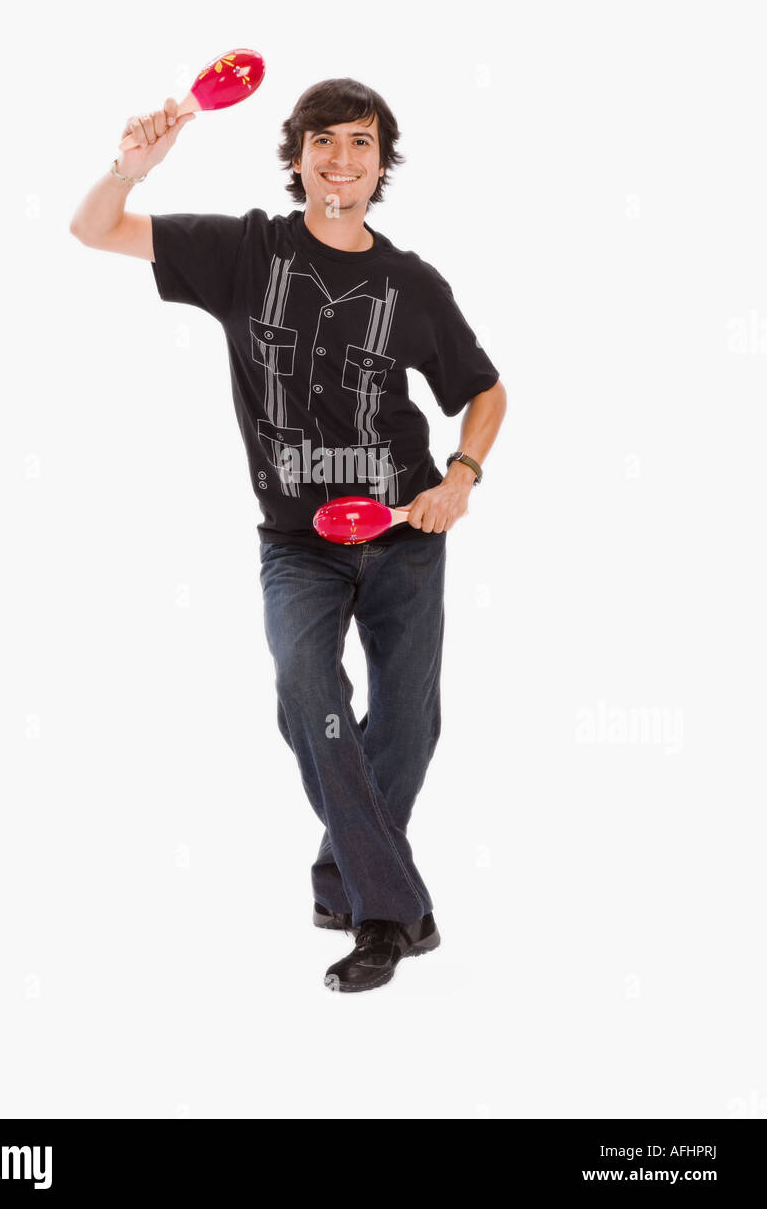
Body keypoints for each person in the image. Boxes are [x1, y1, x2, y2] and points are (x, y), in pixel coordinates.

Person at [70, 78, 507, 993]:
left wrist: (460, 480)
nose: (341, 160)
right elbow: (94, 229)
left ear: (381, 162)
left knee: (408, 724)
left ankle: (338, 878)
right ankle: (391, 915)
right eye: (324, 141)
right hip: (297, 543)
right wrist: (131, 168)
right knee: (305, 691)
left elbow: (485, 391)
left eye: (361, 142)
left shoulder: (412, 283)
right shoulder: (244, 251)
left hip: (404, 528)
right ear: (296, 152)